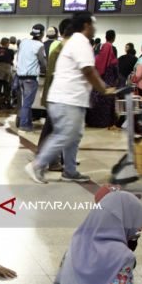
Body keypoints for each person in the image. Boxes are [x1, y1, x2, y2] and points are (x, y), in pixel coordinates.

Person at [25, 12, 115, 184]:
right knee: (66, 134)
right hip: (67, 99)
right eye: (93, 25)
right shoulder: (80, 42)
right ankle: (37, 165)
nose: (95, 29)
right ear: (87, 25)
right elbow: (88, 70)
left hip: (71, 98)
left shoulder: (75, 42)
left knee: (74, 135)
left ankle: (70, 171)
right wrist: (103, 89)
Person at [36, 19, 72, 172]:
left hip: (56, 95)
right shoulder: (60, 49)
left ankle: (58, 159)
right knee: (55, 129)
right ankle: (50, 160)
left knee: (53, 127)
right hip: (58, 96)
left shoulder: (58, 47)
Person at [15, 24, 47, 132]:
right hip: (31, 78)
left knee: (24, 102)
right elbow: (43, 63)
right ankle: (24, 125)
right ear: (42, 34)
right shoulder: (39, 45)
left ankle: (27, 124)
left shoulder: (23, 42)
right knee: (27, 104)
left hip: (19, 76)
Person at [86, 29, 119, 129]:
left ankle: (92, 122)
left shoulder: (97, 60)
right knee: (107, 106)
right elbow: (116, 75)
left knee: (96, 106)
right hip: (108, 89)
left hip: (96, 88)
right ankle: (105, 123)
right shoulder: (114, 62)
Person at [0, 37, 15, 108]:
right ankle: (6, 103)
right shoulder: (11, 51)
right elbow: (11, 59)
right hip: (6, 71)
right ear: (7, 43)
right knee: (7, 88)